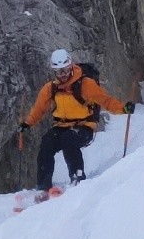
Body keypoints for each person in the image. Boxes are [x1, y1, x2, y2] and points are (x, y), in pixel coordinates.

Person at [21, 49, 134, 192]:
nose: (63, 75)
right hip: (61, 125)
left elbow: (105, 100)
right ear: (54, 72)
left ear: (71, 67)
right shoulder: (51, 88)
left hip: (84, 126)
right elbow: (39, 109)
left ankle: (77, 179)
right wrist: (27, 123)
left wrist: (123, 109)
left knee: (69, 140)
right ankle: (43, 186)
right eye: (59, 71)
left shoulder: (85, 84)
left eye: (66, 70)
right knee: (46, 144)